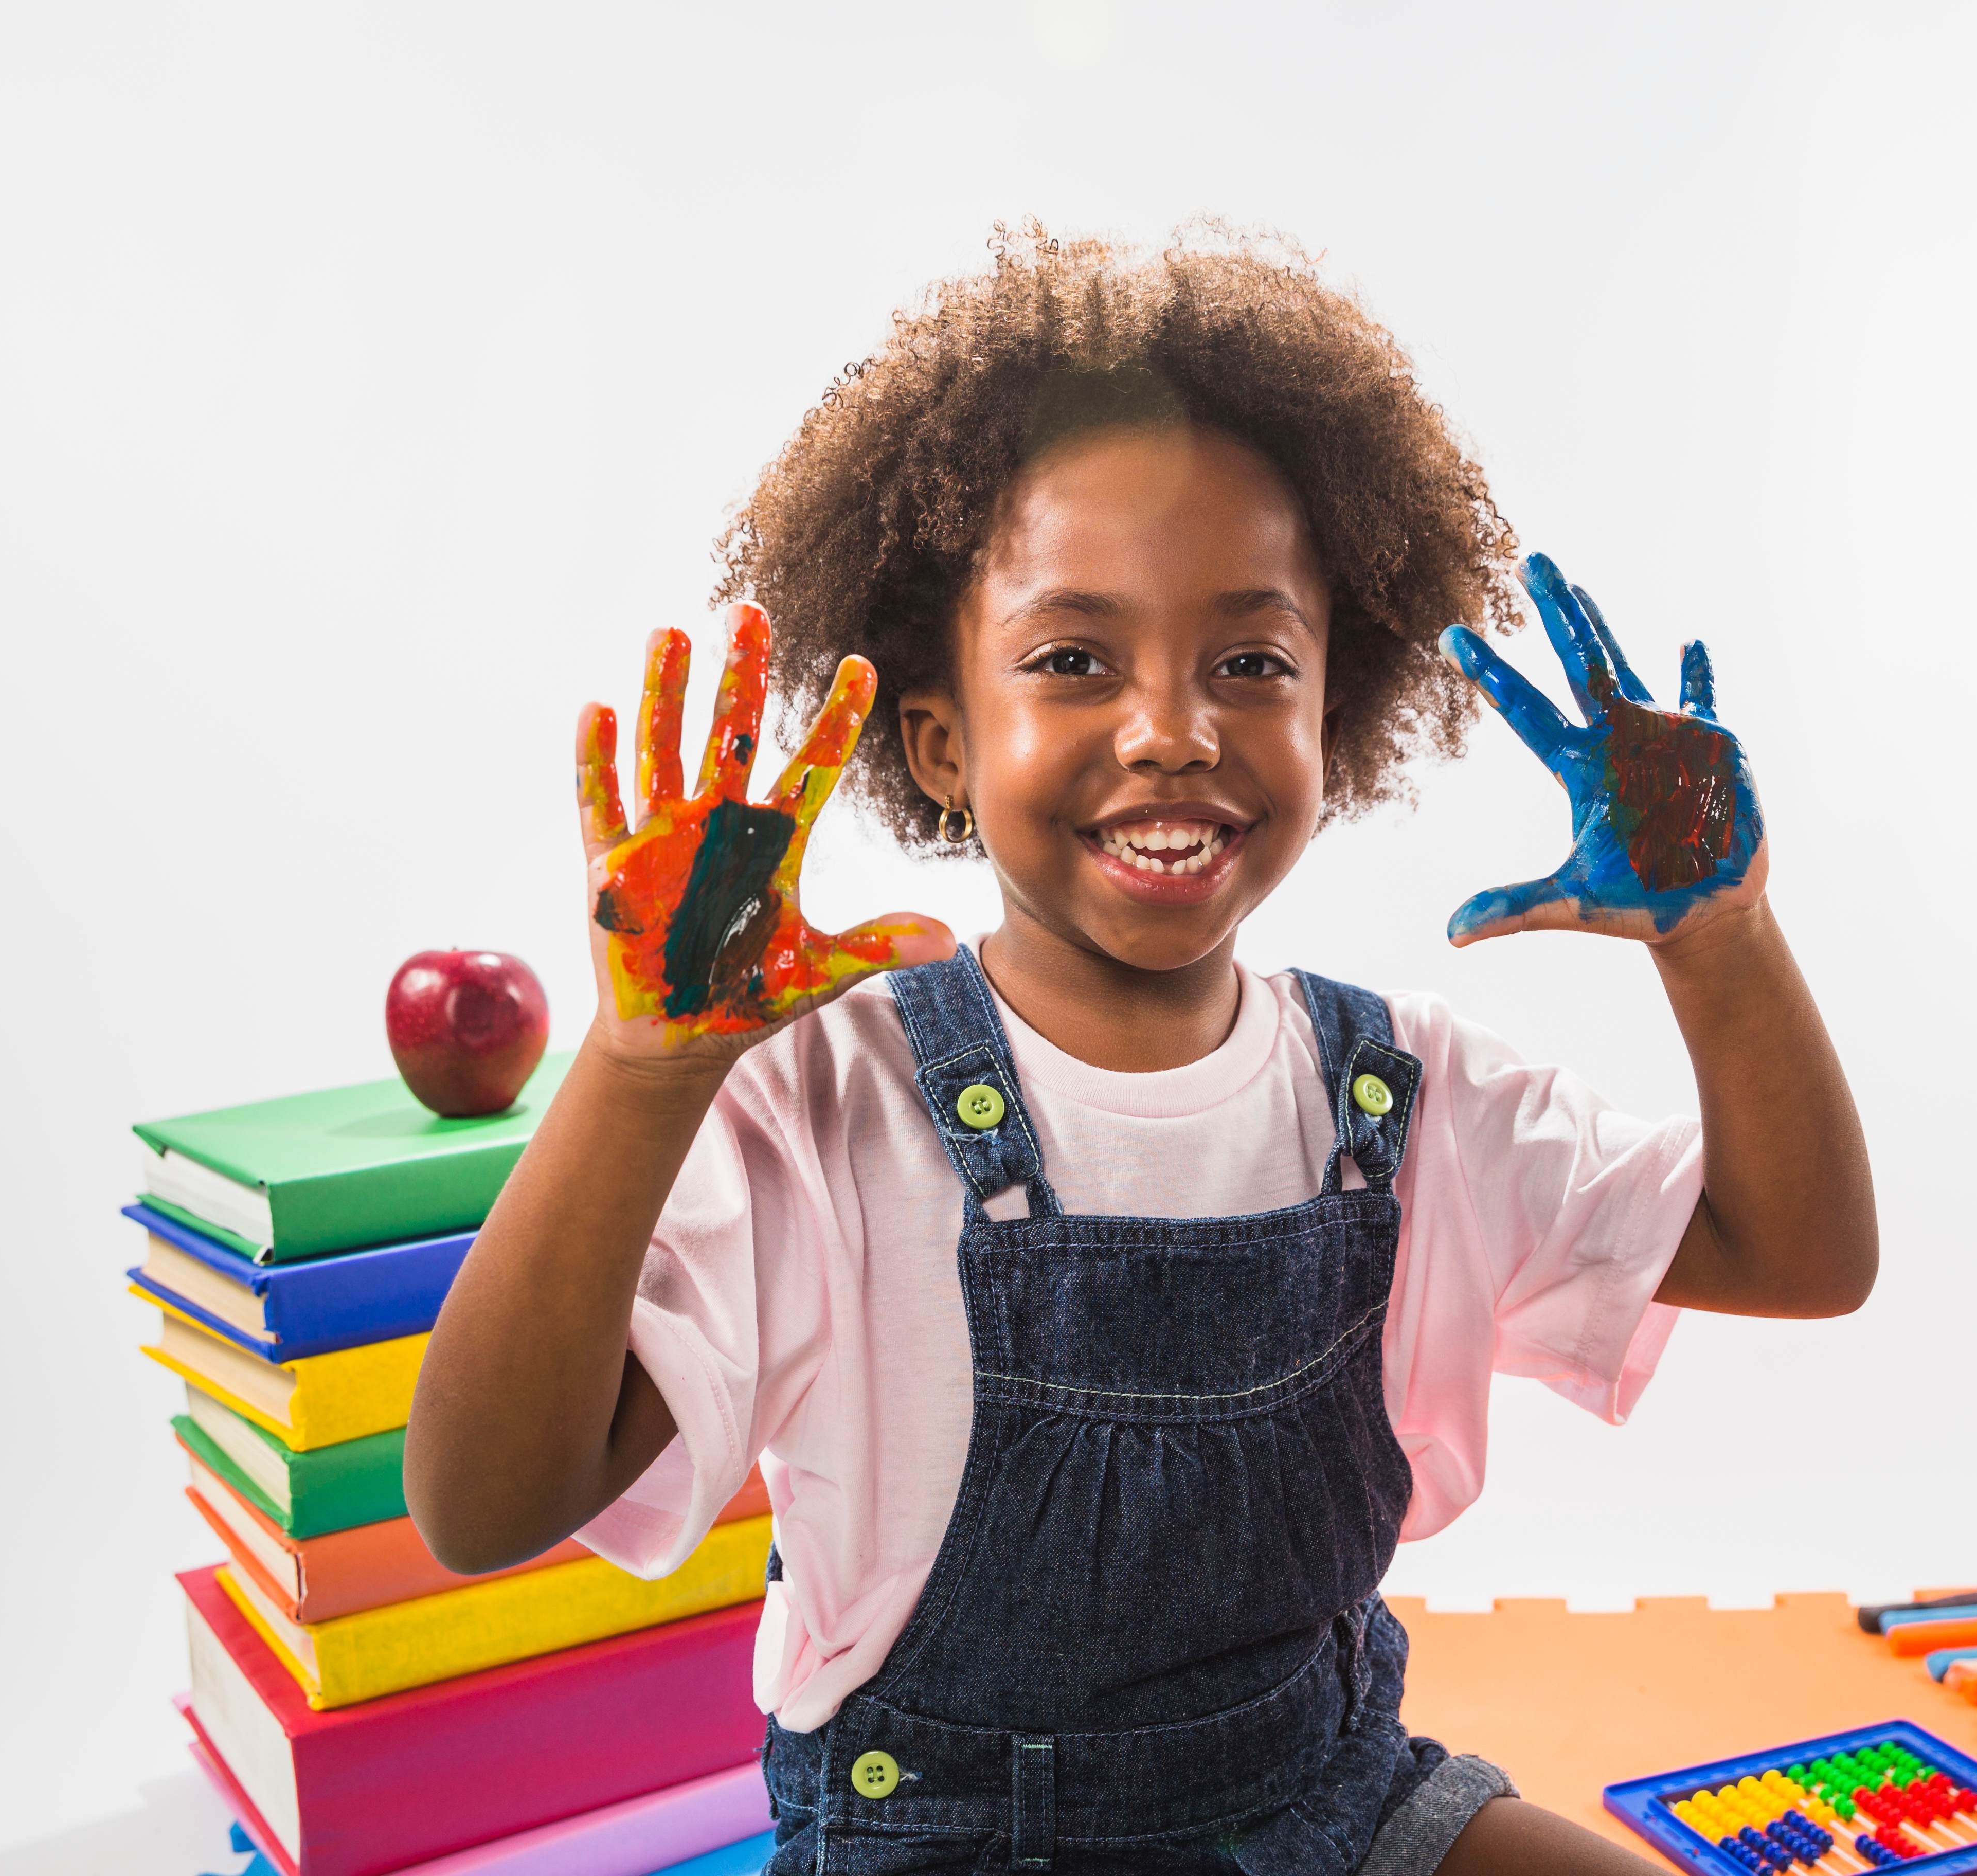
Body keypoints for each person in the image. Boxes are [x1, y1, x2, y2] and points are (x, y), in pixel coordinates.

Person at [405, 227, 1877, 1876]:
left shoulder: (1404, 1096)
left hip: (1328, 1802)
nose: (1172, 725)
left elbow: (1802, 1254)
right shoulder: (823, 1106)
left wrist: (1722, 933)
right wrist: (643, 1073)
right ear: (943, 741)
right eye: (1073, 659)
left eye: (1250, 662)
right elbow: (479, 1499)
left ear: (1338, 713)